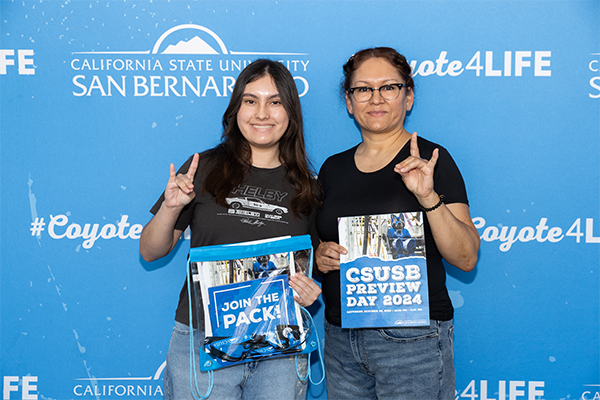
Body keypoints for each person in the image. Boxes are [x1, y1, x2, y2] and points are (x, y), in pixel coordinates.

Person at [139, 59, 321, 400]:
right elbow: (150, 251)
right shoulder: (202, 169)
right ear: (236, 109)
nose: (262, 113)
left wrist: (310, 292)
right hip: (203, 340)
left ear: (291, 113)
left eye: (275, 101)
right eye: (251, 101)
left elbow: (317, 262)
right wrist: (171, 206)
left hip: (279, 345)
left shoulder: (309, 187)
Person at [315, 47, 480, 400]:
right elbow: (317, 246)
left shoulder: (432, 160)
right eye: (363, 89)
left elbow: (466, 258)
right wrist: (320, 256)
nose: (376, 98)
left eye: (389, 87)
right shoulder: (332, 169)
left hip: (411, 340)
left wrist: (427, 197)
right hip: (342, 339)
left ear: (408, 96)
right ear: (349, 101)